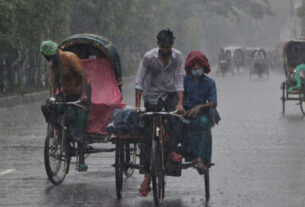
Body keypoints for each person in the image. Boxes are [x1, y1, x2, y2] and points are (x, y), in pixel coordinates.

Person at [135, 29, 184, 196]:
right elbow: (139, 81)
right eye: (163, 47)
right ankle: (147, 176)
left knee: (175, 123)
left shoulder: (177, 57)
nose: (166, 50)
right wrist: (137, 105)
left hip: (170, 96)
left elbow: (179, 81)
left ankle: (170, 150)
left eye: (168, 47)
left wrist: (180, 103)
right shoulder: (149, 58)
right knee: (147, 136)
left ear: (172, 45)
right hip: (152, 97)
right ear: (158, 45)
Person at [40, 40, 91, 172]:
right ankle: (57, 131)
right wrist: (52, 97)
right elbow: (53, 82)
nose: (51, 59)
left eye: (52, 56)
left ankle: (81, 159)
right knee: (47, 107)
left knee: (79, 124)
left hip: (80, 93)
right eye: (48, 57)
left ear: (57, 52)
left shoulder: (69, 58)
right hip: (65, 94)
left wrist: (84, 94)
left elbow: (83, 75)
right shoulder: (53, 65)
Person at [183, 51, 218, 174]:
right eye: (194, 65)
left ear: (204, 66)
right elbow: (178, 97)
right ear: (190, 66)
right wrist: (183, 109)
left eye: (199, 65)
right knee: (182, 124)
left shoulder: (210, 83)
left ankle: (200, 158)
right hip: (185, 112)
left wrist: (199, 107)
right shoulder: (184, 81)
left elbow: (213, 102)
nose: (196, 67)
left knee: (203, 124)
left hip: (202, 113)